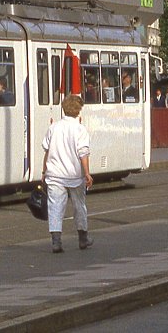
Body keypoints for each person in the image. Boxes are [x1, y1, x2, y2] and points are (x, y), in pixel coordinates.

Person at [42, 94, 93, 253]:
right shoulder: (80, 129)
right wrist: (87, 173)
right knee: (79, 206)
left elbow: (47, 151)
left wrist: (44, 171)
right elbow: (83, 153)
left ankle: (56, 242)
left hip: (54, 174)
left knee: (55, 207)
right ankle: (83, 238)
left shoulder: (54, 127)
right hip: (74, 175)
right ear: (78, 110)